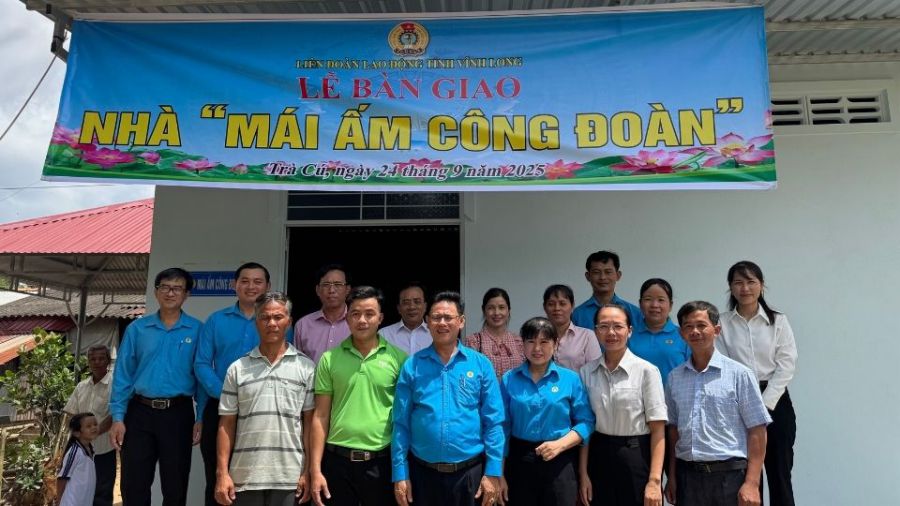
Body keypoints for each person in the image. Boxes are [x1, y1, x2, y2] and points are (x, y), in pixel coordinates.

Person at [392, 291, 505, 506]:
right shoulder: (412, 365)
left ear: (461, 321)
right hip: (422, 475)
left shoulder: (480, 364)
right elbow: (400, 423)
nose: (442, 323)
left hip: (469, 475)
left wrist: (492, 471)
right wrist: (400, 473)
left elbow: (494, 422)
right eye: (436, 317)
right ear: (427, 321)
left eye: (448, 317)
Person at [109, 267, 204, 506]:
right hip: (139, 413)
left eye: (177, 288)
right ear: (156, 291)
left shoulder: (197, 330)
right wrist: (118, 417)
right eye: (165, 287)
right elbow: (123, 375)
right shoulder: (137, 329)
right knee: (134, 484)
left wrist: (201, 416)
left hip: (178, 414)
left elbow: (201, 377)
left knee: (175, 485)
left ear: (187, 294)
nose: (170, 293)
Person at [665, 301, 771, 506]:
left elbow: (757, 430)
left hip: (729, 478)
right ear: (681, 333)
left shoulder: (740, 374)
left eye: (701, 325)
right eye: (688, 326)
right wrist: (672, 476)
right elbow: (673, 431)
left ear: (716, 330)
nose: (695, 331)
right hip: (688, 478)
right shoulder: (674, 378)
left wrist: (752, 483)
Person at [309, 286, 407, 506]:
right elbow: (320, 415)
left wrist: (402, 469)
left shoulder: (399, 359)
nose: (362, 320)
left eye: (369, 314)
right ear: (347, 318)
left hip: (381, 462)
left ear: (380, 318)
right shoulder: (329, 359)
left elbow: (403, 420)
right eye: (355, 314)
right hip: (337, 461)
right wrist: (315, 469)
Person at [215, 292, 316, 506]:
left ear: (289, 321)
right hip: (244, 475)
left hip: (290, 477)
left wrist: (308, 471)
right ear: (256, 322)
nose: (271, 323)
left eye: (278, 317)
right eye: (264, 317)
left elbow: (309, 423)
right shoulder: (237, 369)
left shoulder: (306, 367)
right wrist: (222, 473)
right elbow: (226, 424)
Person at [196, 262, 284, 506]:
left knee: (256, 478)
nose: (251, 286)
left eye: (257, 281)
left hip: (263, 411)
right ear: (234, 285)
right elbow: (202, 364)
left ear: (268, 286)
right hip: (220, 408)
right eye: (244, 281)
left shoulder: (279, 322)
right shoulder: (216, 321)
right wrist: (225, 394)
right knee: (217, 476)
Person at [717, 261, 798, 506]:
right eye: (738, 283)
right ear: (730, 287)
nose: (745, 288)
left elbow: (786, 364)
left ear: (761, 285)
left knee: (780, 473)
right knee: (747, 476)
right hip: (737, 401)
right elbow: (722, 364)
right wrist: (746, 404)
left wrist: (764, 404)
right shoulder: (721, 323)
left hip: (775, 401)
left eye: (751, 282)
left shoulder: (778, 321)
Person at [500, 317, 594, 506]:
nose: (537, 348)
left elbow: (586, 422)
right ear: (522, 344)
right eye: (531, 341)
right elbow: (501, 428)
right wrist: (499, 473)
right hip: (520, 460)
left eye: (544, 342)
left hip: (560, 459)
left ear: (555, 344)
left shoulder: (570, 379)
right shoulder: (509, 379)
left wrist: (560, 444)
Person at [578, 304, 667, 506]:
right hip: (598, 456)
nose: (611, 332)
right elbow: (584, 427)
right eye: (603, 326)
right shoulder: (586, 372)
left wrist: (655, 481)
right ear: (596, 331)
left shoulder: (647, 371)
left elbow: (658, 429)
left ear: (630, 330)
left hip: (636, 456)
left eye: (618, 326)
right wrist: (583, 474)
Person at [63, 345, 115, 506]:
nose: (97, 362)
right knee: (81, 491)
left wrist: (94, 433)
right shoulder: (81, 386)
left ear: (108, 361)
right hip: (80, 452)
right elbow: (71, 414)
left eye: (101, 358)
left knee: (102, 494)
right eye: (93, 359)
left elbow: (115, 415)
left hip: (103, 450)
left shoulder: (115, 385)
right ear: (88, 362)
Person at [629, 278, 690, 386]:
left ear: (670, 305)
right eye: (648, 299)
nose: (654, 305)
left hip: (674, 396)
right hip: (635, 395)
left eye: (661, 300)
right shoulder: (628, 335)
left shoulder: (684, 335)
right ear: (640, 304)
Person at [295, 264, 352, 363]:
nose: (332, 290)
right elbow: (297, 365)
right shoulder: (303, 325)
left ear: (347, 289)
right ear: (317, 290)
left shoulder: (359, 323)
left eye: (338, 284)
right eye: (326, 284)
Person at [464, 288, 524, 380]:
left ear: (508, 310)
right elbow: (469, 376)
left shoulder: (519, 342)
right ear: (484, 310)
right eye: (491, 308)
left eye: (501, 307)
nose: (496, 313)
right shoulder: (474, 342)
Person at [571, 251, 641, 330]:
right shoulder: (577, 315)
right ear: (588, 276)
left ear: (618, 275)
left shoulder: (635, 313)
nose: (602, 277)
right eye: (596, 272)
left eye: (608, 272)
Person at [542, 284, 601, 371]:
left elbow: (596, 371)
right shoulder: (536, 337)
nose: (557, 308)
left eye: (562, 304)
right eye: (551, 304)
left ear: (572, 306)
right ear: (545, 307)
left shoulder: (587, 336)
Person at [57, 413, 100, 506]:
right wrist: (58, 501)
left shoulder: (91, 449)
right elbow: (62, 477)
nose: (94, 427)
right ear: (77, 433)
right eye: (88, 426)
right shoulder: (74, 452)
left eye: (95, 424)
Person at [380, 282, 431, 355]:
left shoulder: (435, 333)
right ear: (399, 308)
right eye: (406, 302)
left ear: (425, 306)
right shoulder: (384, 334)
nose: (412, 307)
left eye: (417, 302)